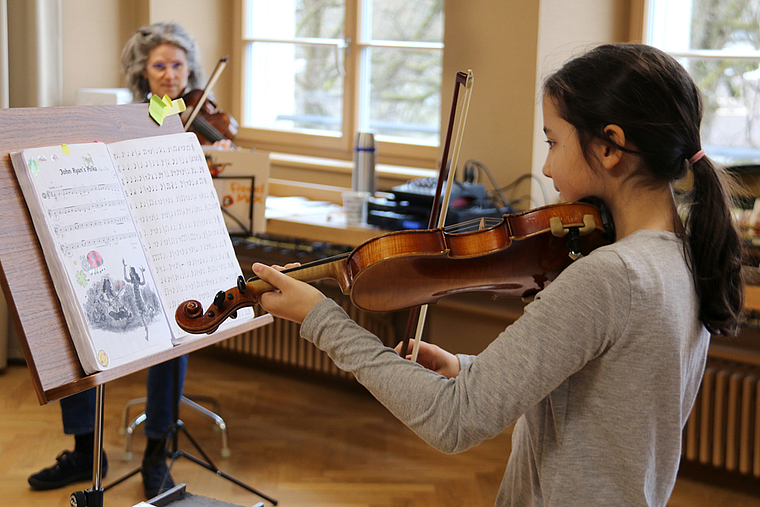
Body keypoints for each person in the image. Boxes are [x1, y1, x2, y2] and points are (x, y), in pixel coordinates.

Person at [250, 43, 744, 506]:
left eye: (553, 142)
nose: (547, 168)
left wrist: (320, 318)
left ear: (611, 146)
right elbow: (606, 393)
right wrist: (469, 371)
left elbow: (454, 420)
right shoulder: (683, 254)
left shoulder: (611, 275)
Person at [27, 21, 205, 499]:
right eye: (159, 66)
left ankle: (156, 453)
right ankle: (86, 450)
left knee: (177, 329)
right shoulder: (123, 119)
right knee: (76, 318)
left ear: (190, 70)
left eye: (178, 65)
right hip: (119, 239)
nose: (170, 76)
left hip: (175, 243)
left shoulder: (199, 121)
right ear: (141, 73)